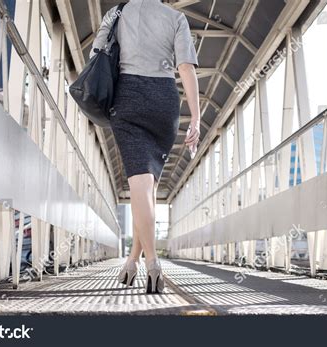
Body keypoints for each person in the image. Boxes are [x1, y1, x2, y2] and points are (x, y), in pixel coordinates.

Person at [89, 0, 200, 294]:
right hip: (164, 101)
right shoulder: (176, 18)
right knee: (147, 189)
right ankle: (132, 262)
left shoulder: (116, 13)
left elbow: (96, 55)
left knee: (140, 185)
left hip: (127, 98)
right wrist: (197, 119)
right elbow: (186, 67)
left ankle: (152, 263)